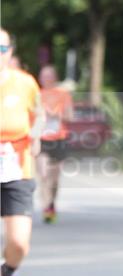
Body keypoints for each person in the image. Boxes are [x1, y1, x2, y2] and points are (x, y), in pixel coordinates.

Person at [0, 29, 42, 276]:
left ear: (10, 52)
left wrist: (35, 136)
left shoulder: (25, 83)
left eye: (1, 49)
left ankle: (9, 272)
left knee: (19, 243)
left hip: (16, 169)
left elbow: (40, 115)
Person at [36, 65, 73, 223]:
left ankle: (51, 203)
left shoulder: (63, 94)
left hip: (59, 139)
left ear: (55, 77)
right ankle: (46, 208)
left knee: (54, 179)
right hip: (41, 139)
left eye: (49, 76)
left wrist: (56, 115)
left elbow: (70, 117)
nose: (46, 79)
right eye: (43, 76)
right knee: (43, 175)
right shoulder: (36, 94)